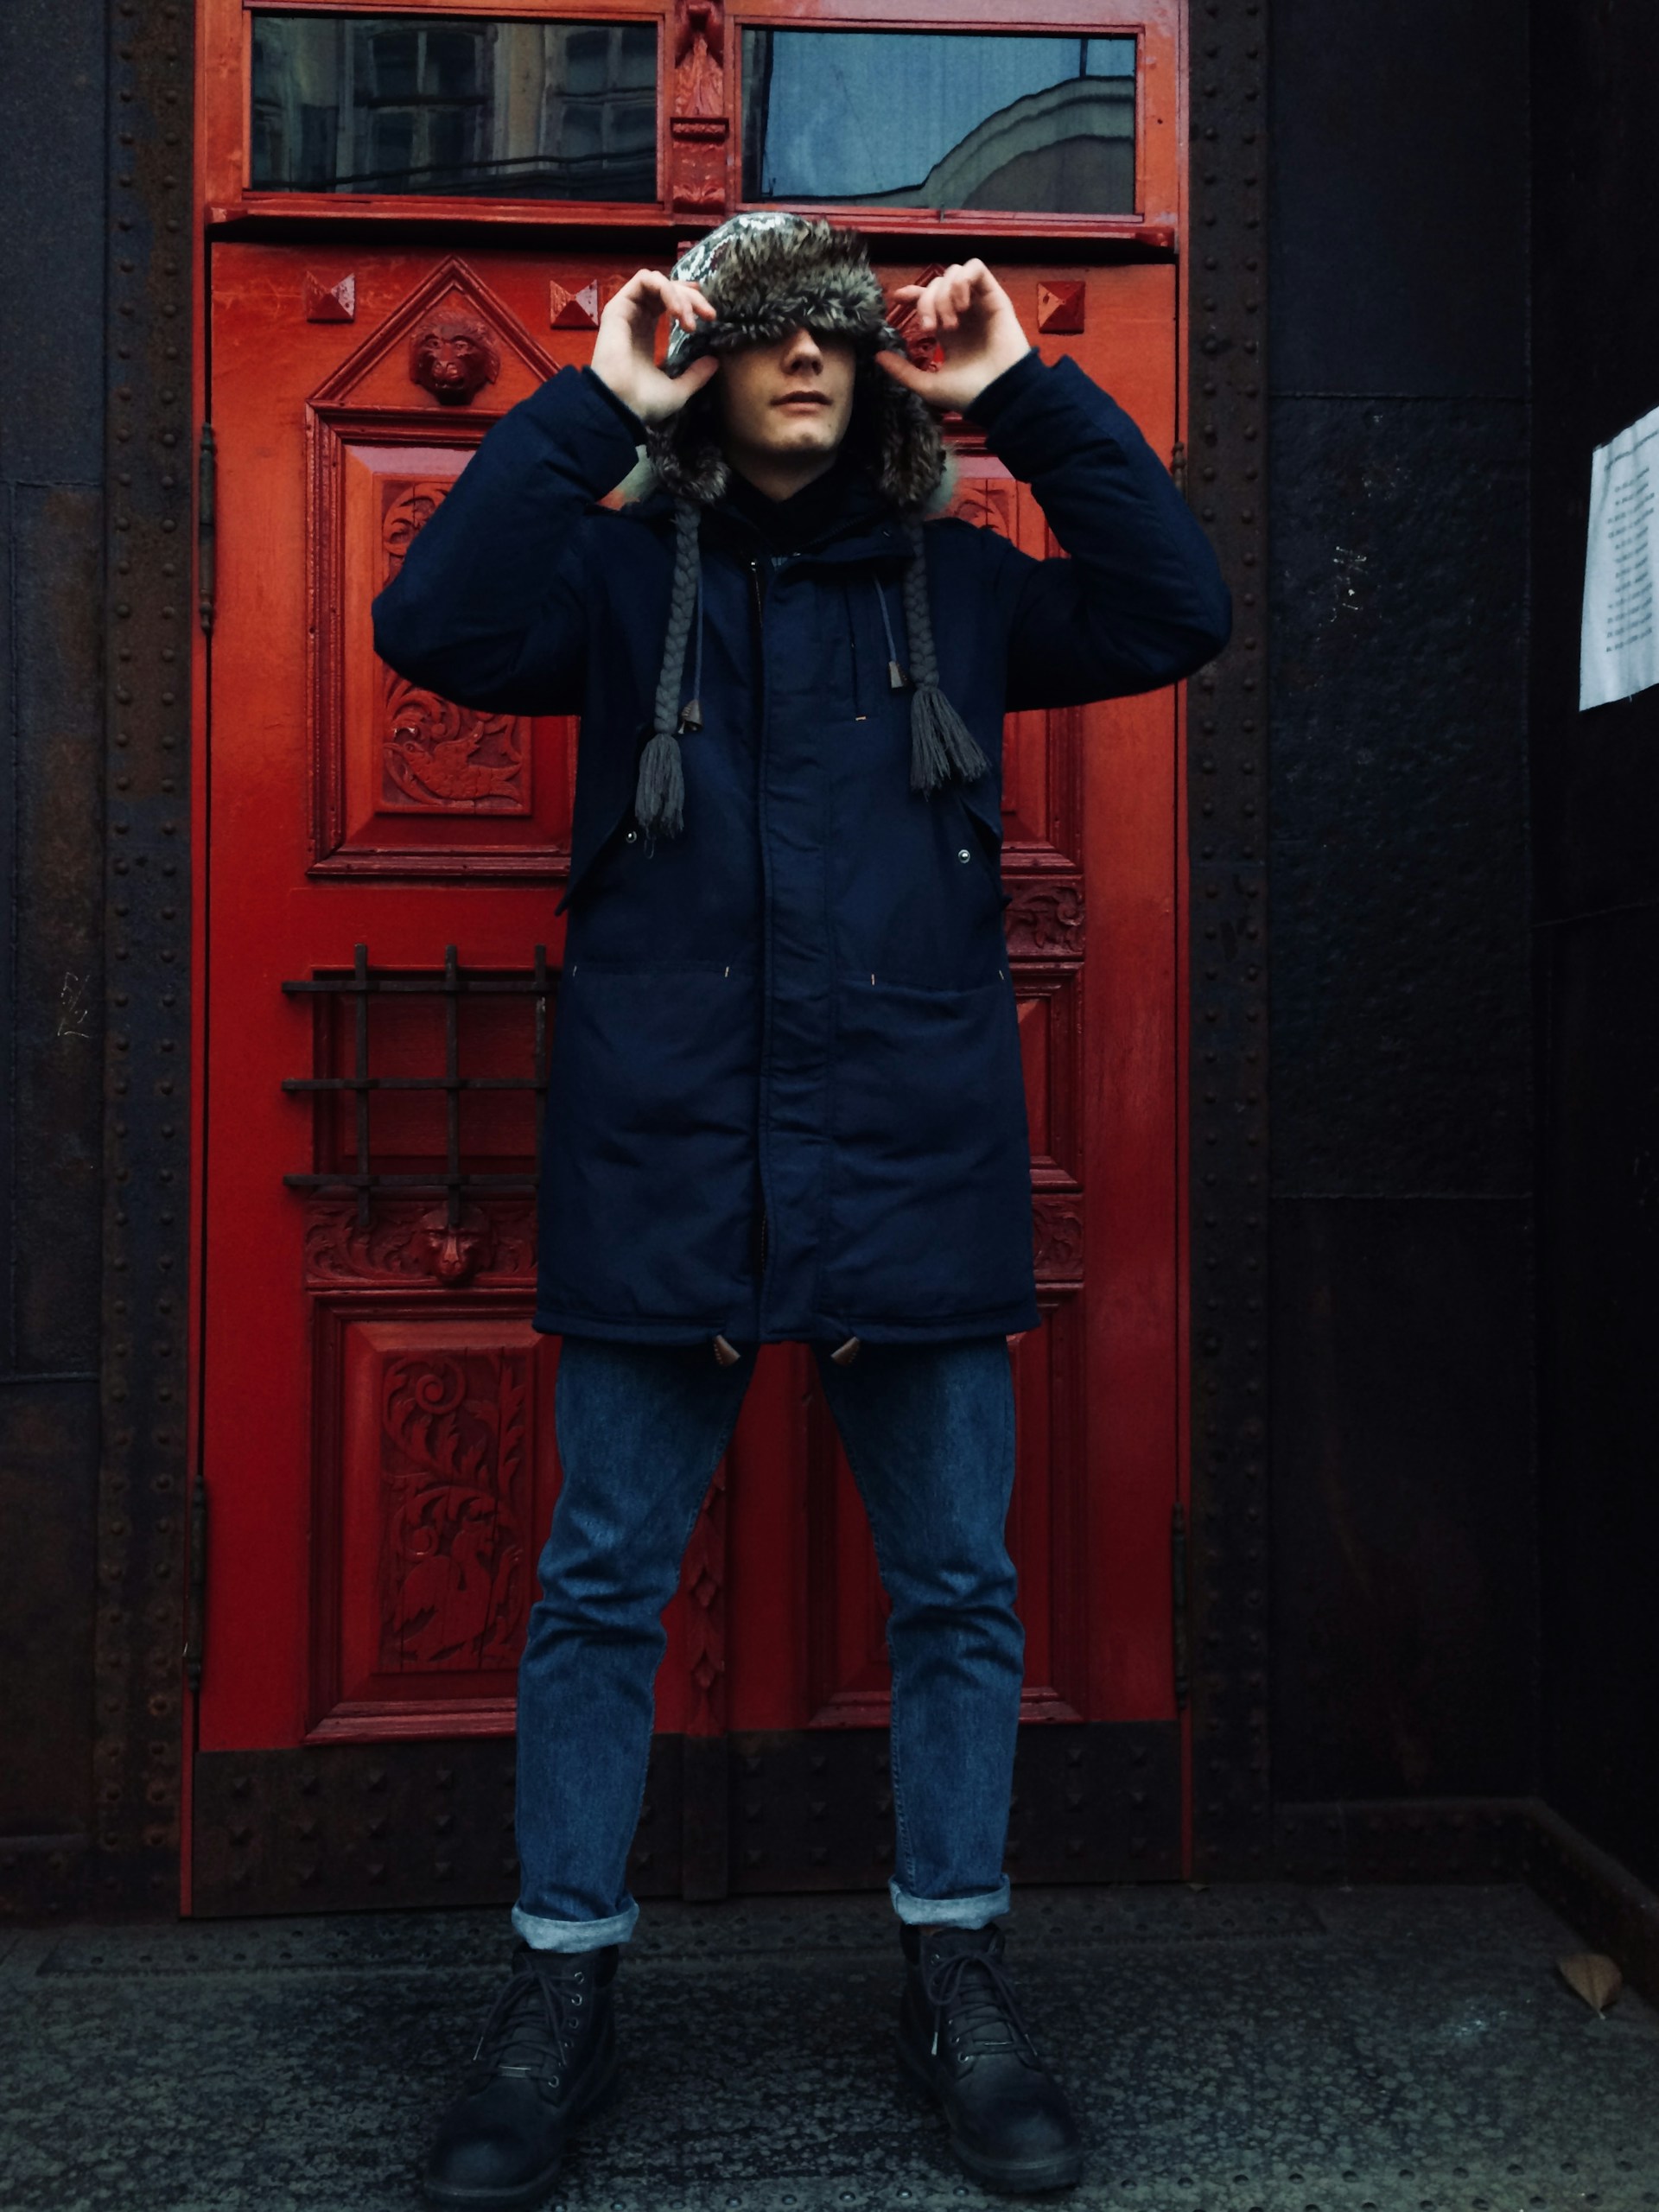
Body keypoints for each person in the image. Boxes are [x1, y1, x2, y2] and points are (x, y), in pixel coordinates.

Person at [373, 213, 1230, 2207]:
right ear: (710, 369)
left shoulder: (961, 587)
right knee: (598, 1589)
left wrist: (1020, 387)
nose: (804, 360)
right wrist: (600, 395)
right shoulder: (601, 572)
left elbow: (1178, 606)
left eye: (836, 334)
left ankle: (957, 1973)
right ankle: (561, 1993)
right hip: (663, 1155)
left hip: (907, 1160)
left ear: (877, 374)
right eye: (762, 332)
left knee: (956, 1588)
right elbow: (428, 629)